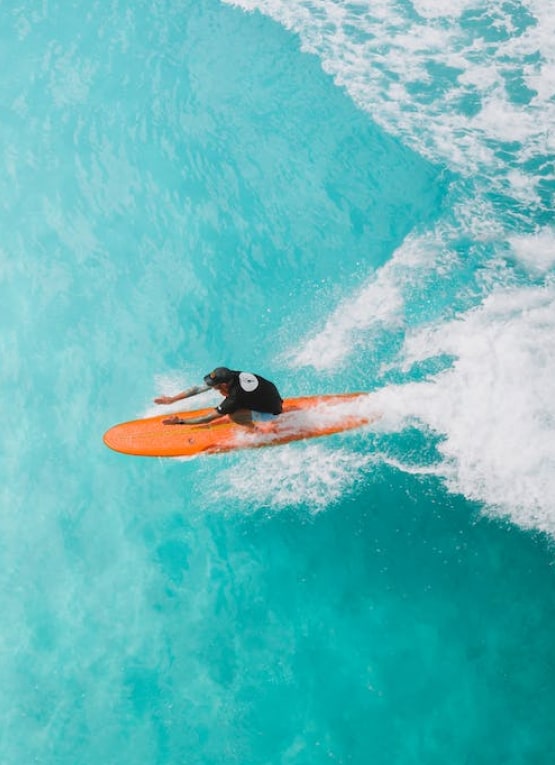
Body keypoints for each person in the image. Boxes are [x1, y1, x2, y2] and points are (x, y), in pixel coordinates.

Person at [154, 367, 283, 427]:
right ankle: (251, 410)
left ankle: (254, 430)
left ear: (224, 384)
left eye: (214, 385)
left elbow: (208, 418)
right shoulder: (231, 375)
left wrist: (180, 422)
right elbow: (198, 389)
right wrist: (172, 399)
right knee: (231, 404)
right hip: (271, 395)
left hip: (272, 412)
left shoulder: (234, 398)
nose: (210, 386)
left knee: (234, 416)